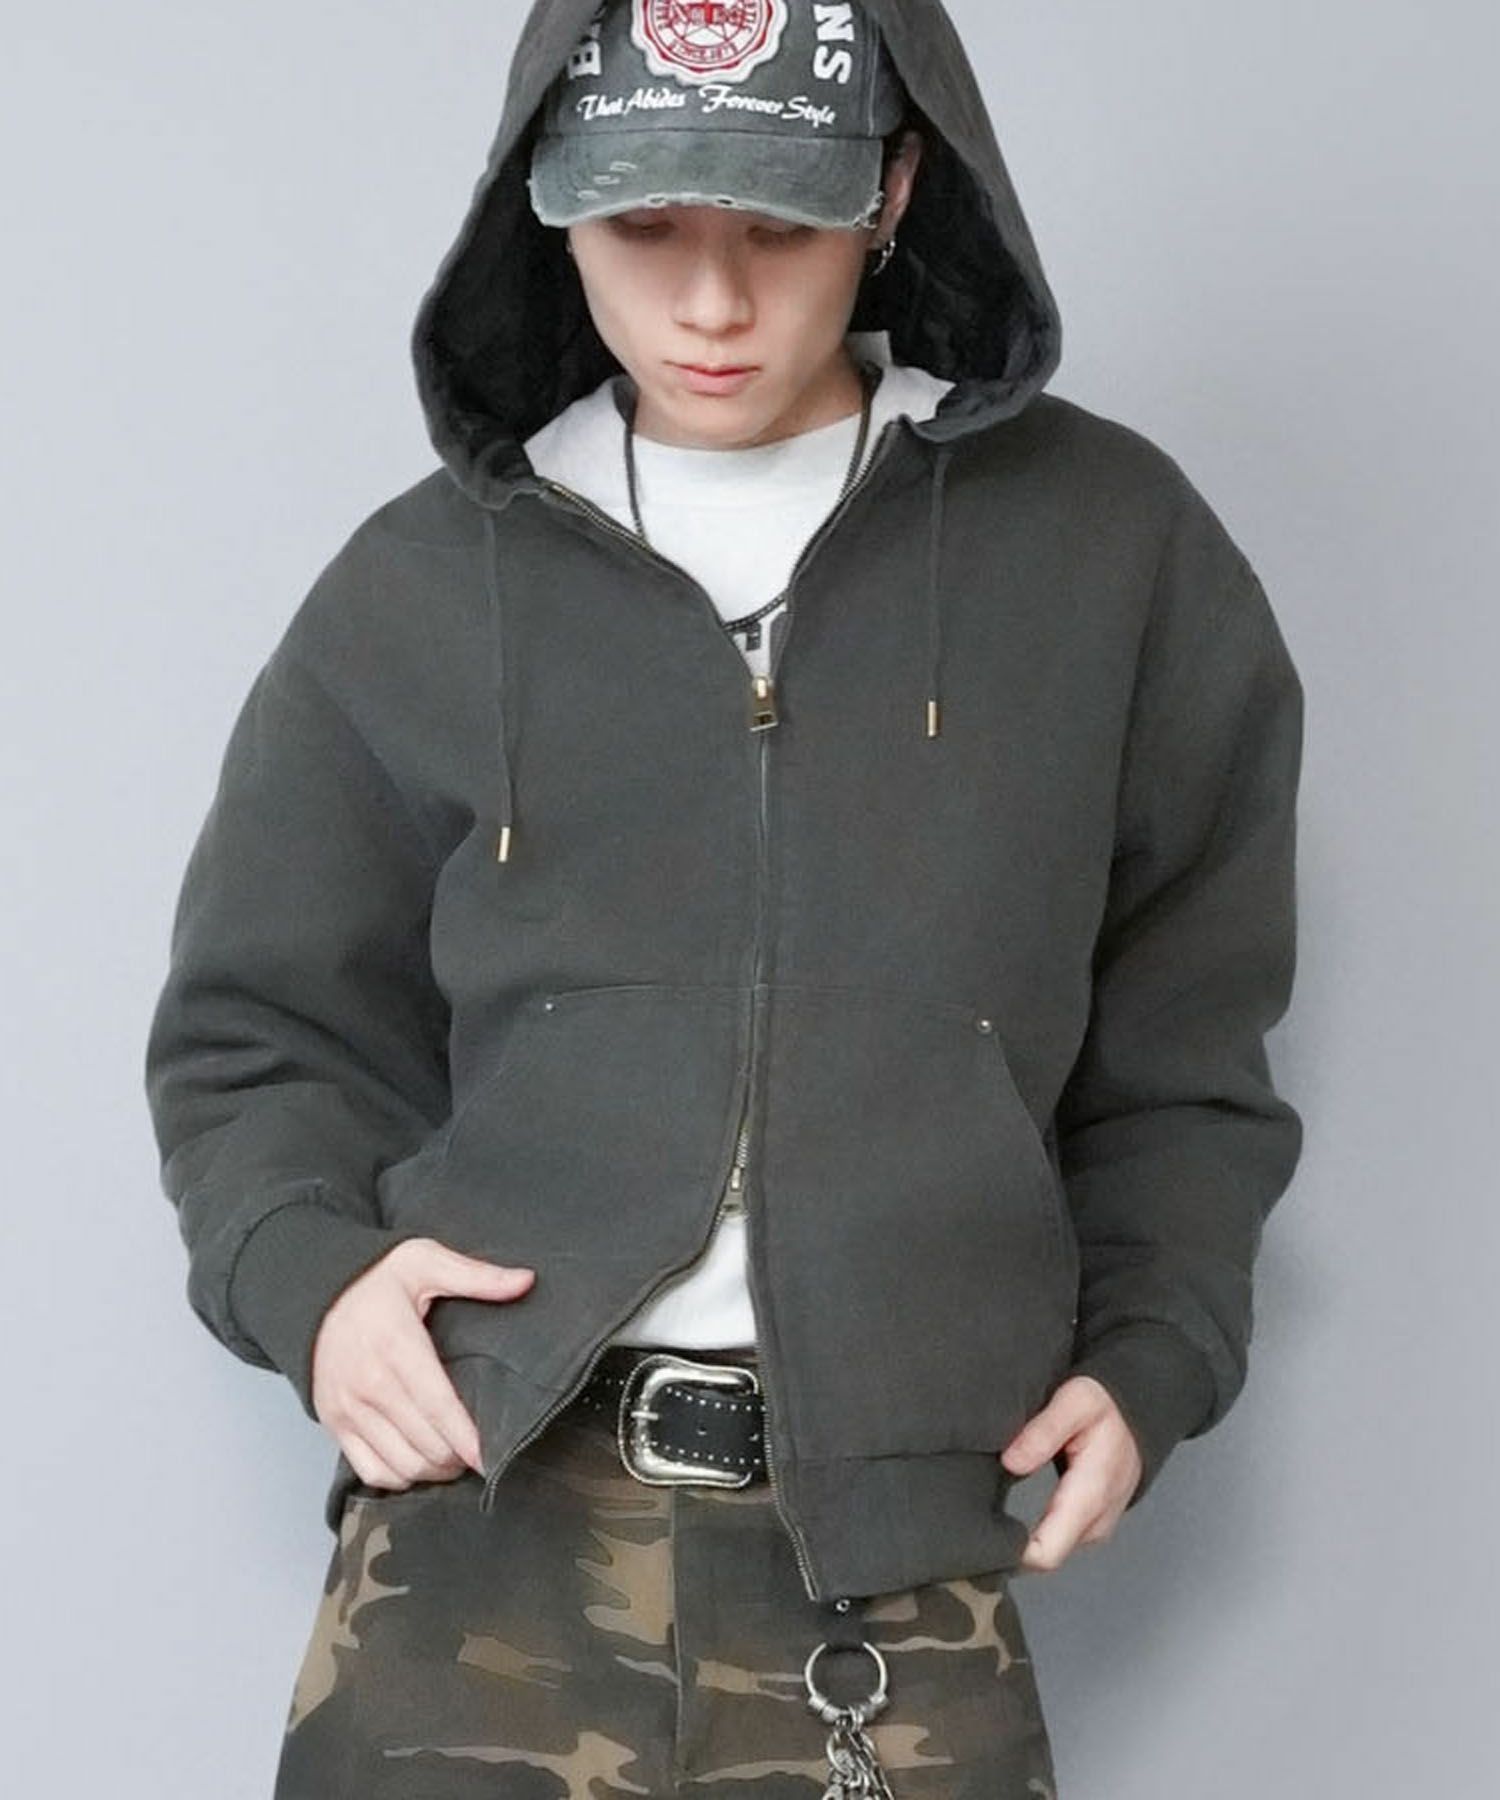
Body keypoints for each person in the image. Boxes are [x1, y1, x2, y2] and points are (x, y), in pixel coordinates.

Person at [143, 1, 1305, 1794]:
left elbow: (1188, 1054)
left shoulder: (1112, 557)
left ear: (892, 192)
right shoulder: (424, 583)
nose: (710, 303)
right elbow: (254, 1031)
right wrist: (314, 1284)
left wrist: (1158, 1350)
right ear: (547, 199)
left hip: (895, 1553)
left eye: (778, 227)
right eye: (645, 227)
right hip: (476, 1531)